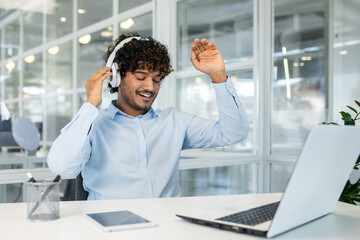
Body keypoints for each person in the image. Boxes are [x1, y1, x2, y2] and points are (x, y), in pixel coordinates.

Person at [47, 33, 248, 200]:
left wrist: (219, 77)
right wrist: (91, 104)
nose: (150, 87)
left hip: (167, 227)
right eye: (141, 77)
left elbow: (234, 133)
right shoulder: (93, 125)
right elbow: (61, 168)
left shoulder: (174, 121)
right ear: (117, 76)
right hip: (111, 229)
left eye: (157, 79)